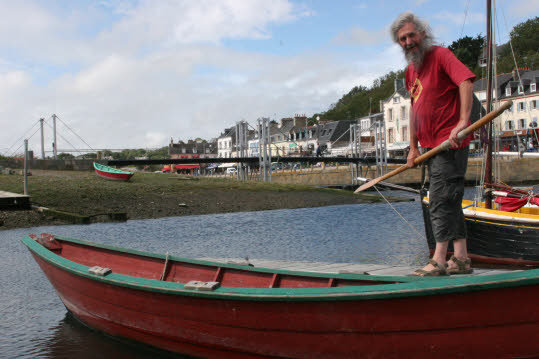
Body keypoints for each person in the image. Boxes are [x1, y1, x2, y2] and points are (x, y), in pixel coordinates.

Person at [391, 12, 475, 276]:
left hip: (449, 144)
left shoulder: (441, 56)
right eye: (402, 39)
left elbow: (465, 81)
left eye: (411, 35)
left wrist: (462, 121)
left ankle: (438, 260)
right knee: (451, 200)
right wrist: (413, 148)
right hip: (429, 147)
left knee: (439, 200)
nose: (407, 42)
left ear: (422, 34)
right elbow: (415, 109)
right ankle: (461, 259)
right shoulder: (411, 71)